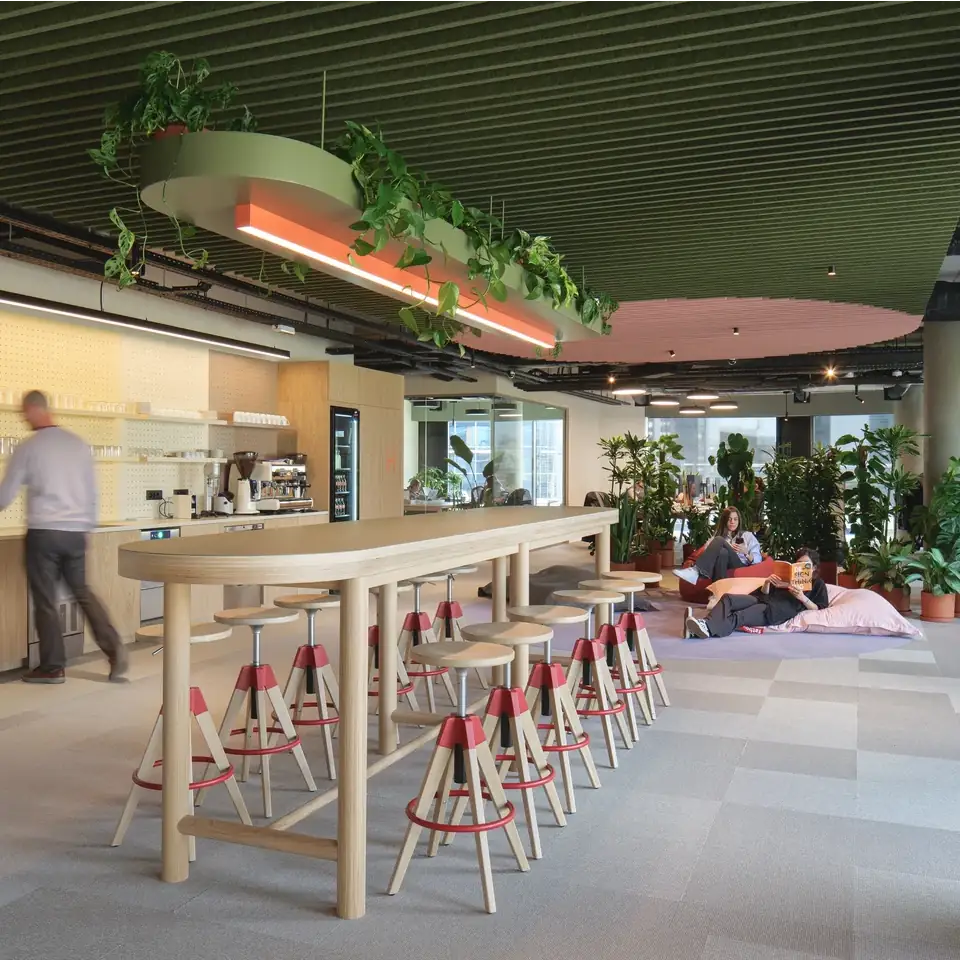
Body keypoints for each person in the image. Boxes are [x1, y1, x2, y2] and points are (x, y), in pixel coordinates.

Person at [0, 390, 126, 684]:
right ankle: (115, 649)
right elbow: (92, 493)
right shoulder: (78, 445)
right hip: (75, 533)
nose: (23, 418)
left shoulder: (29, 447)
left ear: (34, 410)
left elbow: (5, 495)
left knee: (46, 600)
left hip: (44, 533)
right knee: (82, 592)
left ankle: (52, 667)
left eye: (23, 413)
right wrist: (87, 529)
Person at [685, 548, 830, 638]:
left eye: (806, 565)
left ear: (814, 567)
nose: (801, 568)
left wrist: (802, 598)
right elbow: (764, 593)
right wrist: (767, 582)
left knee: (739, 616)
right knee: (728, 599)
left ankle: (706, 628)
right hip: (763, 600)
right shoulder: (788, 576)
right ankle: (703, 626)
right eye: (798, 564)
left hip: (776, 610)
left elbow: (821, 608)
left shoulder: (818, 584)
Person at [676, 506, 762, 585]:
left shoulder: (747, 536)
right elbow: (708, 554)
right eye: (729, 519)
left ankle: (696, 571)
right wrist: (720, 546)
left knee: (719, 539)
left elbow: (758, 560)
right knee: (722, 552)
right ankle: (717, 592)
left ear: (739, 521)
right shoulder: (718, 537)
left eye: (735, 519)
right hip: (724, 562)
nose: (732, 522)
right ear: (724, 521)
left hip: (740, 564)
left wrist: (746, 553)